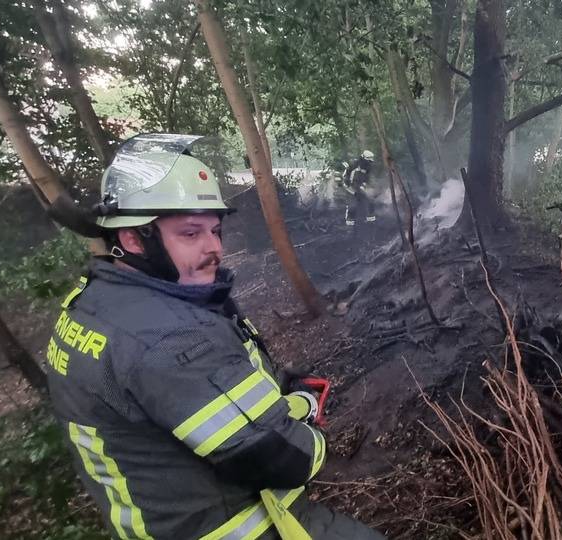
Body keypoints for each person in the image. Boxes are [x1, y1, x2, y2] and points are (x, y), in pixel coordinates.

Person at [45, 134, 384, 540]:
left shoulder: (98, 301)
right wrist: (305, 412)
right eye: (191, 234)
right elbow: (288, 458)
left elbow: (188, 400)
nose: (215, 247)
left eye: (215, 230)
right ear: (134, 239)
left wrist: (271, 391)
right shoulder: (173, 338)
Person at [341, 151, 376, 227]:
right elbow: (345, 182)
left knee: (370, 201)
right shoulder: (353, 166)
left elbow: (367, 180)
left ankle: (371, 224)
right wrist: (354, 193)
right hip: (350, 188)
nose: (369, 163)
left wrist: (366, 189)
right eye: (368, 161)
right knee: (352, 206)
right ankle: (349, 226)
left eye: (370, 161)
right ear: (363, 159)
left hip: (360, 188)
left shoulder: (368, 167)